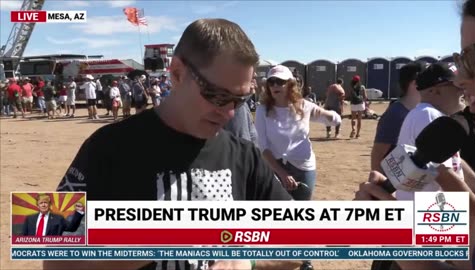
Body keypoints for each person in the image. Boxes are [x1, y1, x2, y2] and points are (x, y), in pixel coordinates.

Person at [48, 18, 304, 270]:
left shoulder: (245, 155)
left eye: (238, 100)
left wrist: (247, 261)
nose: (227, 113)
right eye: (216, 96)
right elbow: (50, 253)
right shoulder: (105, 146)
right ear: (178, 73)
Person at [357, 0, 475, 268]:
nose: (461, 83)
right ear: (434, 91)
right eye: (462, 61)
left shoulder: (439, 122)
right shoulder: (429, 116)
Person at [254, 65, 340, 201]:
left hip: (304, 167)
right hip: (275, 167)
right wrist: (282, 173)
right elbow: (263, 147)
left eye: (280, 81)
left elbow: (335, 120)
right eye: (271, 82)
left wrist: (328, 114)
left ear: (290, 84)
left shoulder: (304, 106)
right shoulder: (262, 110)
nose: (275, 85)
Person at [395, 62, 465, 201]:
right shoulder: (428, 114)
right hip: (428, 212)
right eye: (456, 85)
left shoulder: (429, 114)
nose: (462, 90)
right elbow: (444, 174)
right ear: (435, 90)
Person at [370, 62, 424, 172]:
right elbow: (378, 154)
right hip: (394, 184)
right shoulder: (396, 114)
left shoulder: (417, 111)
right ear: (415, 84)